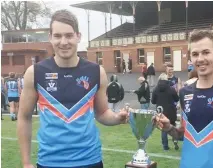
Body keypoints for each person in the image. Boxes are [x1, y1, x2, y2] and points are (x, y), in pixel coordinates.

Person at [17, 10, 129, 168]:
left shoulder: (96, 72)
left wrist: (118, 118)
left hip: (90, 160)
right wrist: (26, 162)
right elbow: (24, 117)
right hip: (49, 162)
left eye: (69, 35)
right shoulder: (35, 73)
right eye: (57, 36)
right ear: (50, 37)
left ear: (78, 36)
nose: (63, 42)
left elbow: (102, 113)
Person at [154, 30, 213, 168]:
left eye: (206, 52)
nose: (200, 59)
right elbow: (183, 134)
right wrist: (169, 127)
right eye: (195, 54)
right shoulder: (184, 92)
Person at [151, 73, 179, 151]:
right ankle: (175, 140)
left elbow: (153, 101)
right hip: (171, 110)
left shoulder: (155, 89)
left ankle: (165, 146)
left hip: (160, 111)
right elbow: (176, 99)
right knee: (172, 126)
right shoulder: (171, 89)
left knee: (163, 128)